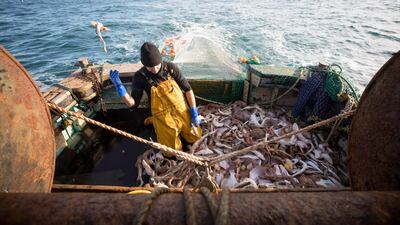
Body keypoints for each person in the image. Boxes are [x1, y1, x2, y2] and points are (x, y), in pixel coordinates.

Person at [109, 42, 202, 155]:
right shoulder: (140, 76)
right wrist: (120, 88)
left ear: (161, 60)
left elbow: (188, 89)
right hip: (163, 118)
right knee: (171, 152)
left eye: (157, 65)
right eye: (150, 67)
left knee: (196, 138)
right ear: (144, 64)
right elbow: (133, 104)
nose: (154, 69)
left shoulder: (171, 68)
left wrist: (193, 111)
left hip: (182, 111)